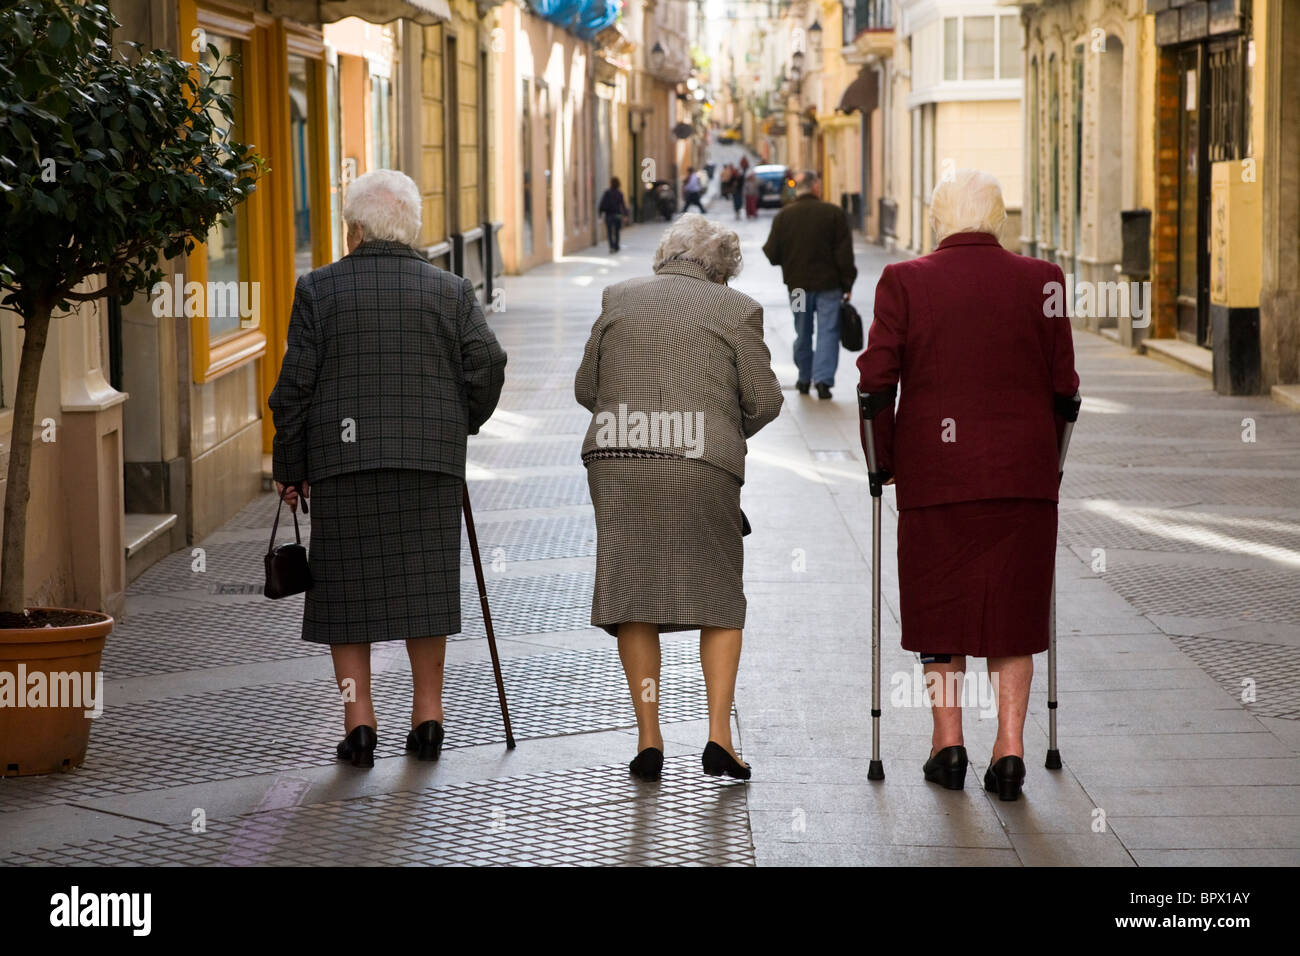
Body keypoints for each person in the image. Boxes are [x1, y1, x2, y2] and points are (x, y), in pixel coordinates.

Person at [269, 169, 507, 770]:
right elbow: (489, 364)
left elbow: (294, 389)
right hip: (428, 467)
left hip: (344, 469)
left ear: (354, 229)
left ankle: (360, 725)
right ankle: (429, 719)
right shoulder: (451, 290)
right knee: (423, 592)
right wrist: (458, 424)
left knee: (346, 602)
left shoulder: (318, 290)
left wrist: (292, 467)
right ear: (411, 227)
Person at [856, 168, 1079, 801]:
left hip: (936, 478)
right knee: (1014, 612)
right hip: (1023, 477)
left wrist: (883, 461)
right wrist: (1050, 462)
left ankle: (947, 746)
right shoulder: (1044, 280)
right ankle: (1010, 751)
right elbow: (1066, 388)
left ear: (936, 220)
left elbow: (876, 382)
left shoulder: (904, 281)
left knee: (939, 611)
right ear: (999, 220)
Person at [574, 214, 783, 783]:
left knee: (633, 595)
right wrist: (718, 425)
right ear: (723, 269)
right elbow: (764, 401)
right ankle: (718, 736)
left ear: (665, 255)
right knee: (718, 595)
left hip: (617, 460)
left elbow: (586, 388)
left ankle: (649, 739)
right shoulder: (735, 308)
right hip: (701, 462)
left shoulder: (619, 297)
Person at [761, 170, 856, 399]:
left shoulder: (785, 216)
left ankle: (804, 377)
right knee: (828, 330)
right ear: (815, 188)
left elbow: (772, 253)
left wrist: (791, 260)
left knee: (802, 330)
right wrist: (847, 282)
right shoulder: (833, 213)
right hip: (829, 287)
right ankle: (823, 381)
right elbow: (844, 254)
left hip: (799, 288)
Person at [598, 177, 629, 253]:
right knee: (617, 231)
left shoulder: (607, 193)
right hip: (617, 215)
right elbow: (623, 205)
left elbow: (602, 203)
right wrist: (626, 214)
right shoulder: (619, 193)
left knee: (609, 232)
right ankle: (616, 246)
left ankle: (611, 247)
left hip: (609, 215)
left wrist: (600, 213)